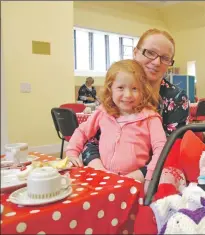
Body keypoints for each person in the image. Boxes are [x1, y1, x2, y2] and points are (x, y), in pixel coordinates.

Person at [73, 28, 190, 178]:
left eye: (165, 58)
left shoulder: (177, 98)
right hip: (102, 173)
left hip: (151, 178)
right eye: (150, 53)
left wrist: (134, 178)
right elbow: (90, 138)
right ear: (135, 52)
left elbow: (169, 150)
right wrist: (101, 171)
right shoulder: (116, 93)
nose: (156, 62)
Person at [66, 59, 167, 189]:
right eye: (120, 88)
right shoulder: (103, 112)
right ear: (110, 89)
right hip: (103, 180)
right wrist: (72, 152)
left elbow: (161, 149)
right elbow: (82, 131)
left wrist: (149, 176)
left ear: (143, 90)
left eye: (135, 88)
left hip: (135, 182)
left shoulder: (151, 118)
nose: (128, 95)